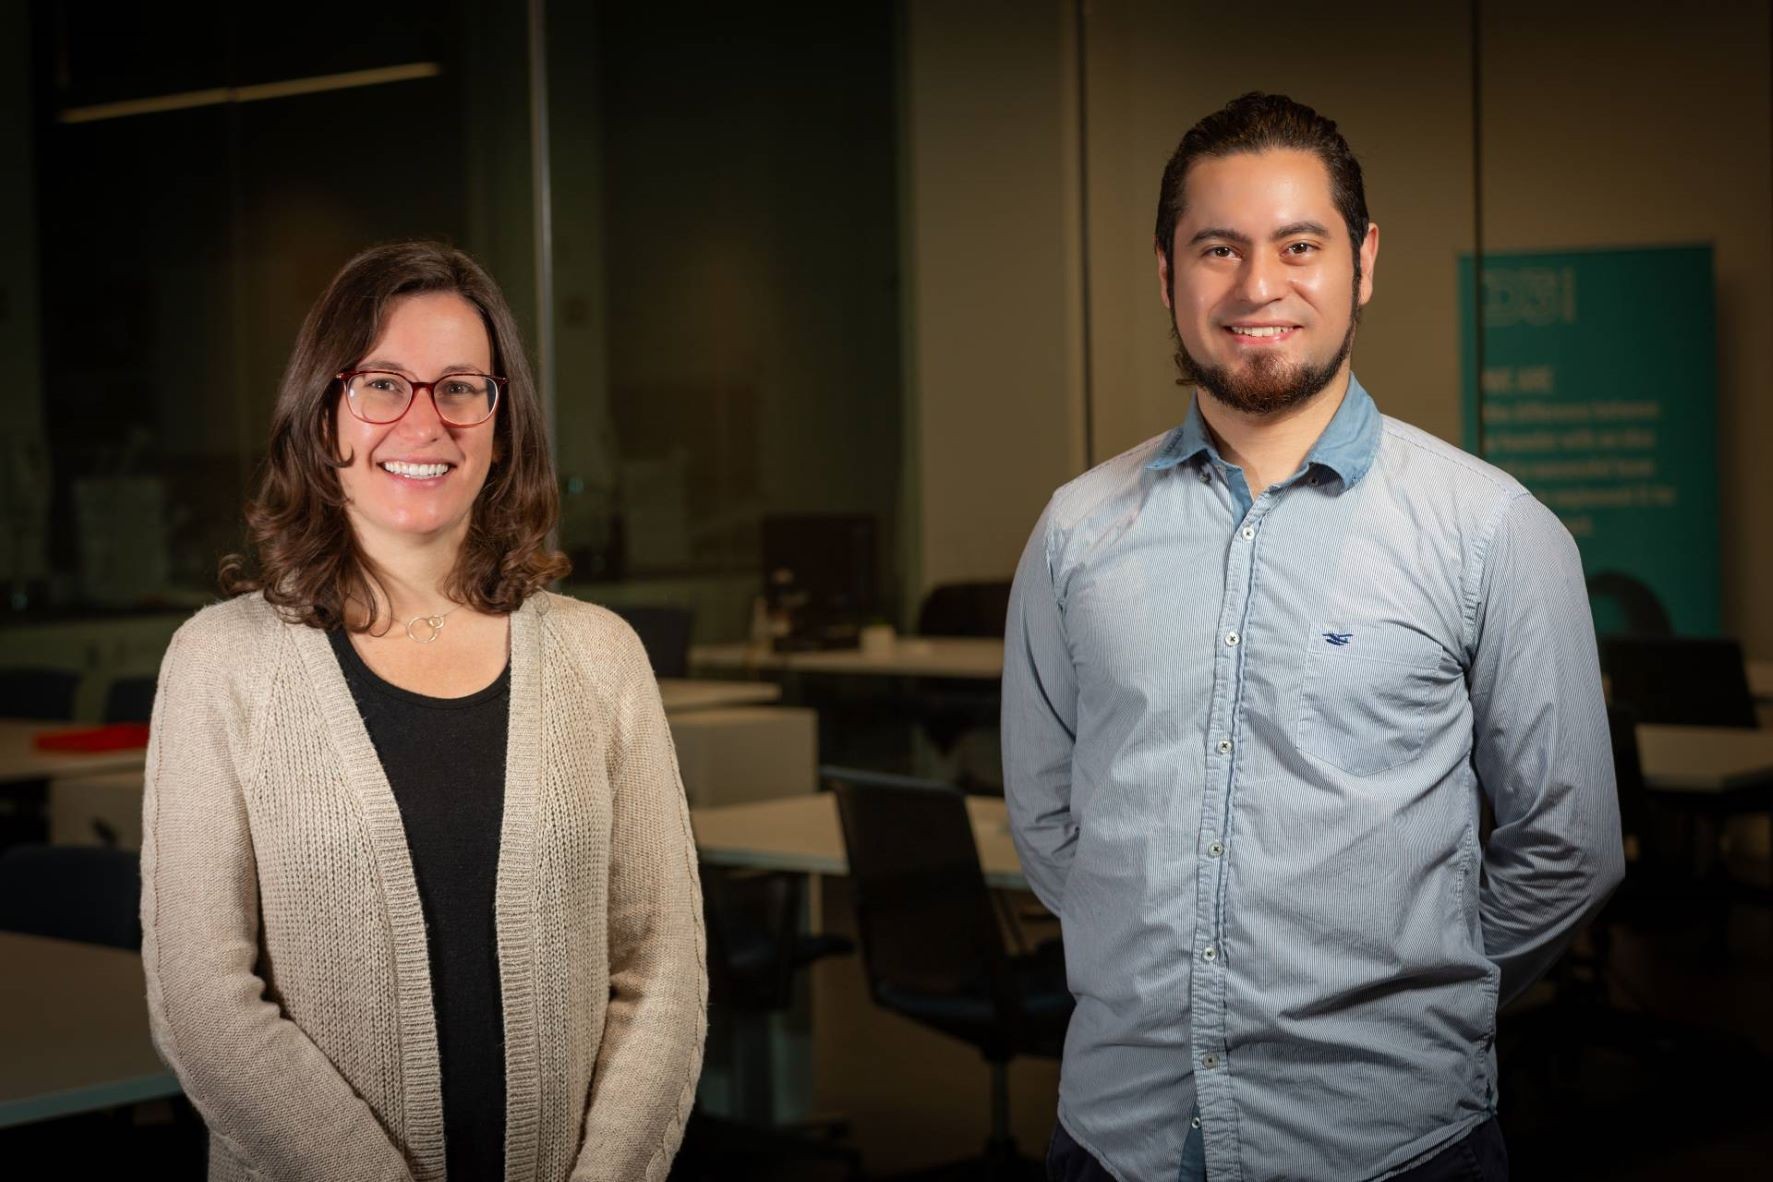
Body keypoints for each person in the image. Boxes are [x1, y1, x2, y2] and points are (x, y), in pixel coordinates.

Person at [1003, 94, 1623, 1182]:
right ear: (1166, 273)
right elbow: (1053, 825)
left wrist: (1423, 988)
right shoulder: (1076, 533)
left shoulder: (1492, 530)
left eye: (1300, 246)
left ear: (1363, 261)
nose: (1257, 287)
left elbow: (1568, 845)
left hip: (1391, 1143)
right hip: (1117, 1139)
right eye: (1217, 250)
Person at [141, 242, 706, 1181]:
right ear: (323, 416)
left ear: (501, 421)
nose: (424, 420)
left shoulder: (600, 656)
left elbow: (661, 969)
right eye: (383, 385)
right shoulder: (221, 661)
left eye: (460, 388)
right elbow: (202, 1001)